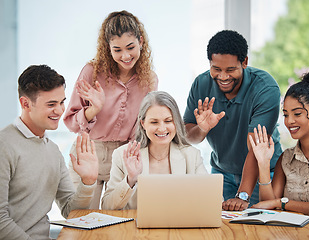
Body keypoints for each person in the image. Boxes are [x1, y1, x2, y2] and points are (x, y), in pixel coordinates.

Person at [63, 10, 158, 209]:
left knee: (119, 219)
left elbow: (143, 123)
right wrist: (94, 109)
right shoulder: (92, 72)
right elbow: (71, 121)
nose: (125, 56)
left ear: (141, 41)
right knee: (82, 218)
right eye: (117, 50)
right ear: (108, 48)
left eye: (130, 47)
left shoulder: (149, 79)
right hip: (90, 151)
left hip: (124, 154)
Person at [183, 30, 282, 210]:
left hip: (263, 175)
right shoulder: (201, 84)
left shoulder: (265, 88)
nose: (223, 77)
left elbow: (256, 148)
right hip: (222, 173)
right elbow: (189, 136)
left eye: (230, 70)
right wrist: (202, 129)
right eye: (216, 69)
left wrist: (242, 195)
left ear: (244, 62)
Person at [0, 65, 98, 240]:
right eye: (51, 104)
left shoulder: (52, 150)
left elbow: (70, 211)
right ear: (25, 103)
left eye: (61, 102)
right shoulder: (4, 146)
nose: (60, 111)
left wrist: (88, 182)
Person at [250, 70, 309, 239]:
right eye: (286, 114)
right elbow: (269, 207)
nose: (289, 121)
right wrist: (263, 164)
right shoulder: (285, 158)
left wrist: (282, 203)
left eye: (297, 114)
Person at [102, 91, 208, 210]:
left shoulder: (191, 155)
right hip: (136, 227)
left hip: (178, 226)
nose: (162, 128)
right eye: (154, 122)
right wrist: (130, 180)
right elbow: (107, 206)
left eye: (168, 121)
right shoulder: (122, 155)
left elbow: (212, 200)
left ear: (176, 123)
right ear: (143, 124)